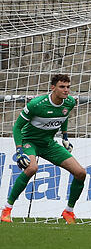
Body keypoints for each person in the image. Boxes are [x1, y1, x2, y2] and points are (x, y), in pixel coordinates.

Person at [1, 74, 85, 224]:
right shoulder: (37, 104)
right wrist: (19, 150)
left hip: (48, 143)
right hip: (29, 142)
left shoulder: (70, 102)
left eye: (68, 87)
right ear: (53, 88)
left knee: (80, 173)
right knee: (32, 168)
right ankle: (7, 209)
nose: (66, 90)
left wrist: (65, 137)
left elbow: (63, 118)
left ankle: (69, 212)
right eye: (62, 87)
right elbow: (17, 127)